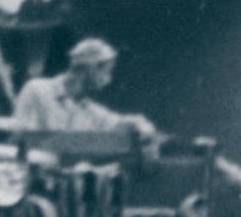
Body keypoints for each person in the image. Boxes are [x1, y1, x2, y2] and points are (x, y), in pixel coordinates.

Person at [12, 37, 157, 161]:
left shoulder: (88, 108)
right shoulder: (37, 90)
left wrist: (141, 124)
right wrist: (82, 143)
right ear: (92, 68)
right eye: (107, 70)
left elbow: (116, 122)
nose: (108, 78)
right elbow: (23, 138)